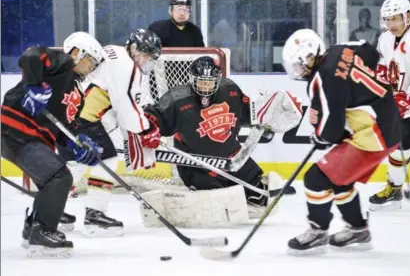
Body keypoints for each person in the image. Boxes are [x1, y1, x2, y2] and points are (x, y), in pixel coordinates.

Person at [140, 56, 302, 228]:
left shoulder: (230, 90)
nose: (205, 88)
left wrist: (268, 116)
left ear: (218, 80)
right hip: (196, 163)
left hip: (232, 158)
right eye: (201, 82)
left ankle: (247, 191)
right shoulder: (177, 99)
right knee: (218, 197)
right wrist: (148, 127)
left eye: (209, 83)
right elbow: (154, 115)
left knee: (259, 194)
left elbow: (250, 113)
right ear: (191, 79)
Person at [281, 29, 401, 254]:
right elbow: (371, 53)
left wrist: (320, 136)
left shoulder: (322, 77)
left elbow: (331, 126)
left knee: (316, 179)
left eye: (301, 63)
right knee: (340, 180)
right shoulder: (339, 50)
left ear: (312, 54)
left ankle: (318, 230)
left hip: (374, 134)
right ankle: (358, 229)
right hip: (387, 119)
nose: (299, 70)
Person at [1, 32, 103, 257]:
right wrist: (34, 85)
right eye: (90, 61)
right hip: (15, 131)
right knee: (60, 177)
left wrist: (79, 144)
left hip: (30, 139)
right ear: (77, 53)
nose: (91, 67)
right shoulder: (62, 64)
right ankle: (43, 232)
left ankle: (34, 228)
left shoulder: (78, 93)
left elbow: (64, 129)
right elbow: (31, 56)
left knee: (52, 180)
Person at [66, 28, 163, 236]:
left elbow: (114, 99)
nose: (146, 60)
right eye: (145, 55)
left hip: (76, 116)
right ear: (134, 48)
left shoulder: (114, 51)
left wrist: (140, 125)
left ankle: (52, 212)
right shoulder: (127, 66)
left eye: (150, 57)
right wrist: (145, 130)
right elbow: (126, 106)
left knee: (76, 165)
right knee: (107, 160)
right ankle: (95, 217)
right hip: (88, 121)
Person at [369, 0, 410, 210]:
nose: (390, 24)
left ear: (408, 16)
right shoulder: (385, 38)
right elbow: (383, 67)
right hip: (404, 104)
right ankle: (394, 189)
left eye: (395, 19)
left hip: (409, 100)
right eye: (387, 19)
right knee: (400, 145)